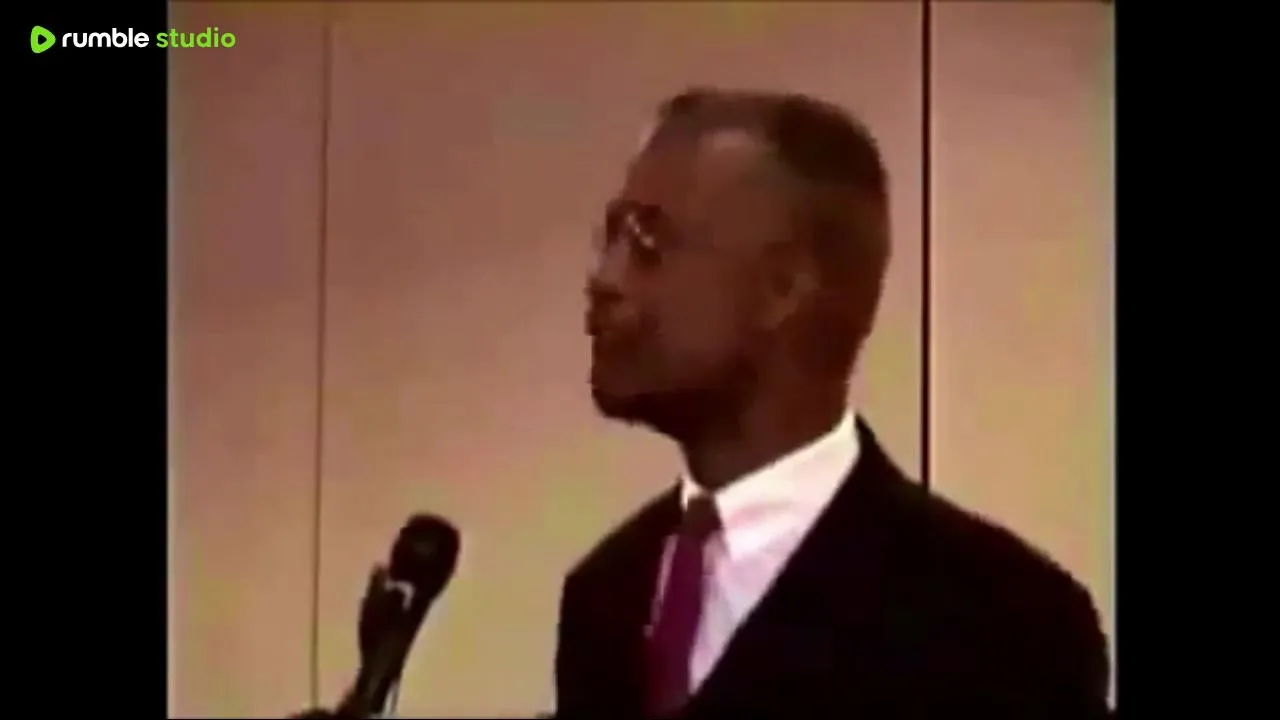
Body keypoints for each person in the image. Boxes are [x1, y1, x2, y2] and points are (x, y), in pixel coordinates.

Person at [558, 87, 1111, 718]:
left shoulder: (1003, 620)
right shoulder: (607, 592)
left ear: (783, 288)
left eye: (646, 241)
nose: (604, 278)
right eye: (610, 238)